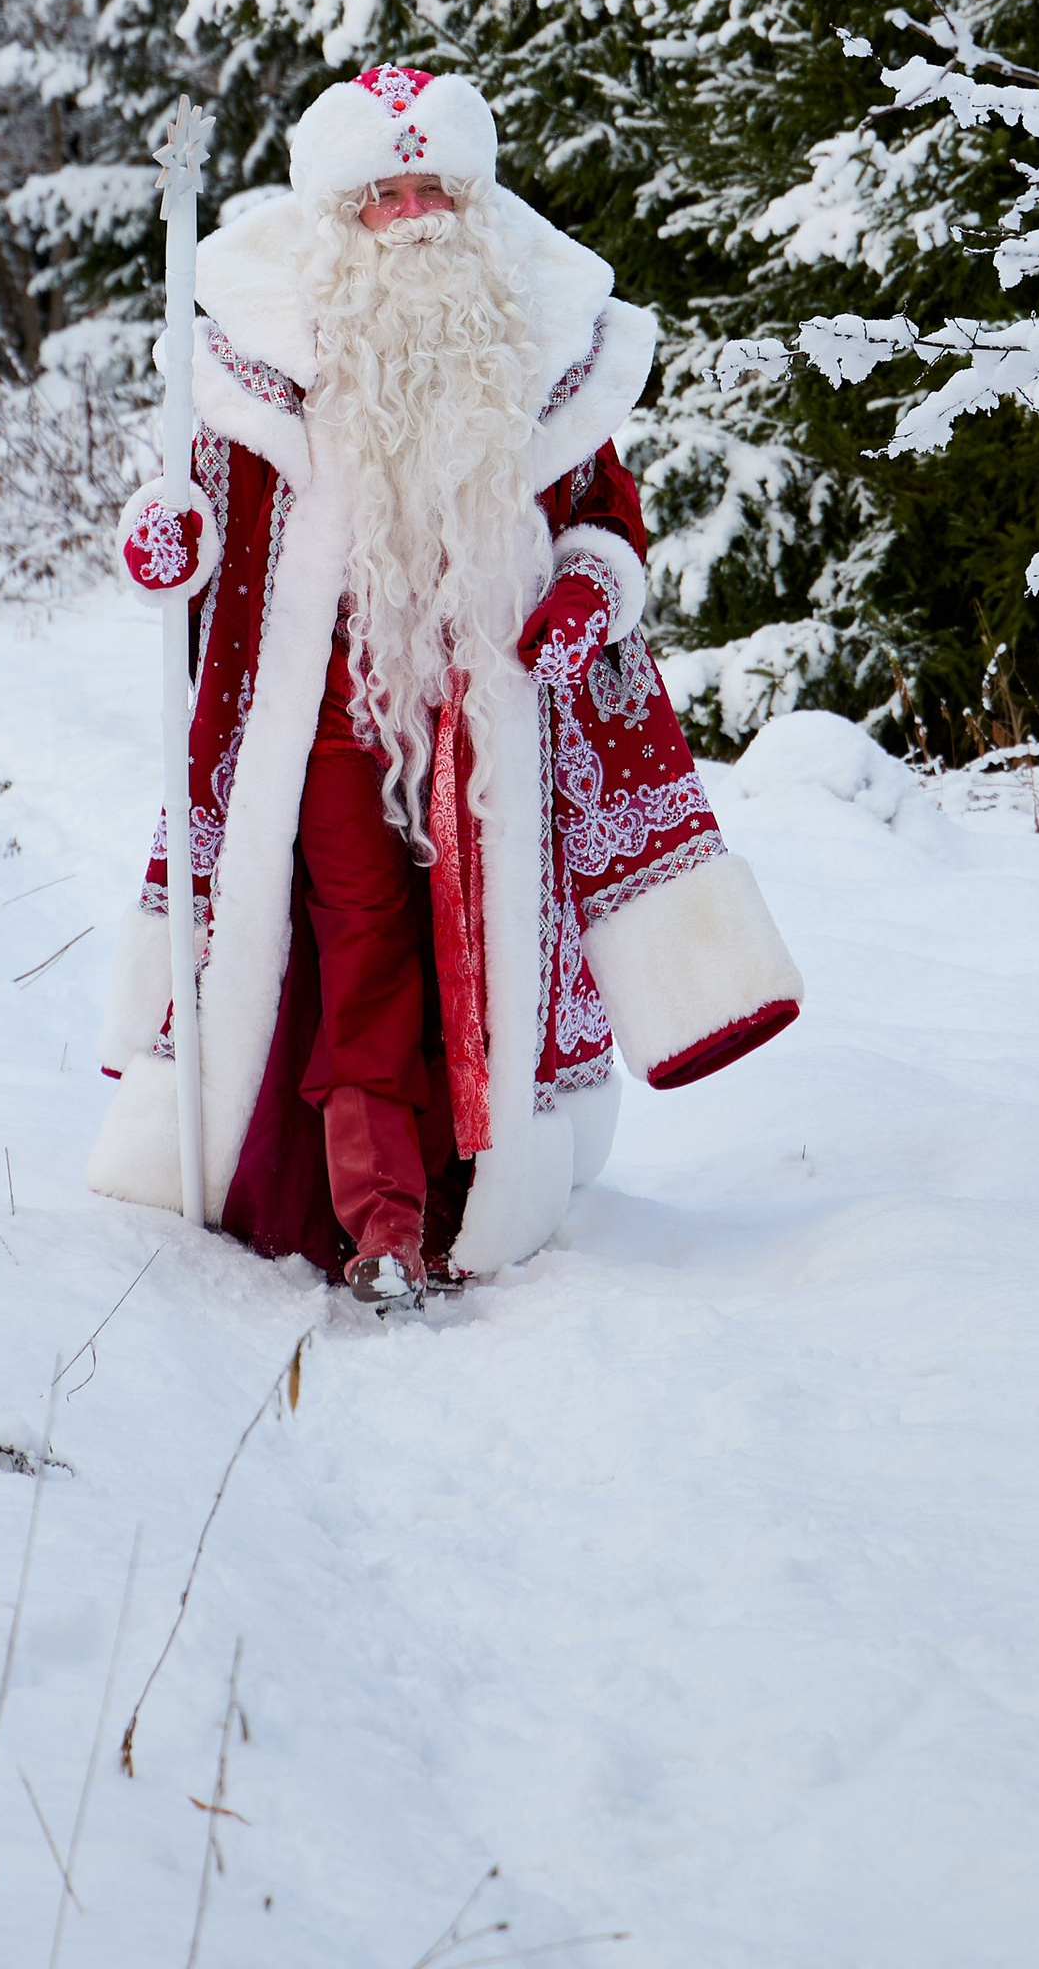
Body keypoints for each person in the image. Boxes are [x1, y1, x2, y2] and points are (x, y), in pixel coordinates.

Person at [90, 63, 803, 1306]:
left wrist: (592, 584)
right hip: (323, 729)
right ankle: (384, 1226)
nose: (411, 214)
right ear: (338, 217)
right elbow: (203, 532)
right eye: (383, 194)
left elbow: (602, 517)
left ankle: (479, 1190)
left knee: (474, 962)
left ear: (468, 202)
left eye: (432, 188)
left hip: (488, 726)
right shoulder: (255, 359)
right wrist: (163, 544)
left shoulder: (535, 348)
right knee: (361, 954)